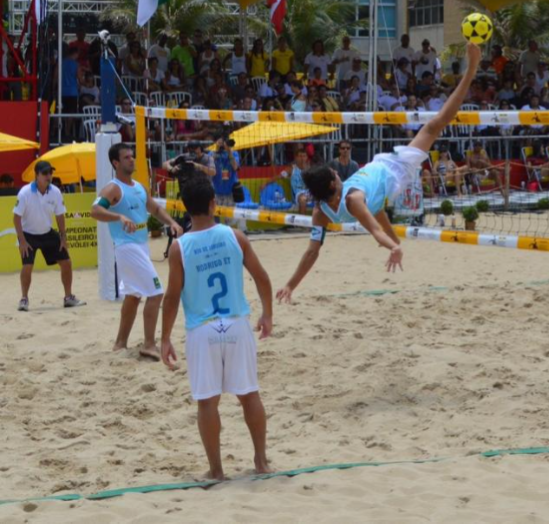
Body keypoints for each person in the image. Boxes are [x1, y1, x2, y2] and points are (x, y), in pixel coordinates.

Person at [276, 43, 482, 303]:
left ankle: (471, 70)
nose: (338, 173)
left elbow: (313, 252)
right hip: (397, 171)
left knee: (430, 127)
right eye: (335, 174)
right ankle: (471, 70)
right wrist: (393, 246)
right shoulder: (352, 200)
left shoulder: (321, 211)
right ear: (333, 184)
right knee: (434, 125)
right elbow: (373, 228)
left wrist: (290, 285)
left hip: (382, 165)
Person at [160, 174, 274, 481]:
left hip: (202, 329)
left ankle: (217, 469)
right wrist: (267, 314)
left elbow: (171, 298)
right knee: (249, 395)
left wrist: (165, 338)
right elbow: (262, 278)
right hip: (236, 324)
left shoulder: (179, 248)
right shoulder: (235, 236)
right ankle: (261, 462)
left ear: (185, 207)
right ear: (214, 203)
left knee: (207, 402)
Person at [91, 144, 184, 359]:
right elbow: (95, 210)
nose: (132, 160)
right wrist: (119, 217)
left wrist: (171, 222)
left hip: (140, 244)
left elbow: (156, 209)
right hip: (126, 246)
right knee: (156, 292)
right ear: (116, 163)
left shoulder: (139, 187)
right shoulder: (113, 188)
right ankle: (149, 344)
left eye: (132, 156)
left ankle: (120, 343)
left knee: (133, 295)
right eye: (126, 157)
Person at [13, 161, 84, 312]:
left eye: (50, 173)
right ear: (36, 175)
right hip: (28, 234)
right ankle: (24, 299)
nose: (49, 176)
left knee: (66, 262)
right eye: (45, 173)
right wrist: (22, 241)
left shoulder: (55, 192)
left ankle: (68, 297)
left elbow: (60, 216)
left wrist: (63, 238)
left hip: (47, 232)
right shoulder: (25, 192)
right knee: (27, 265)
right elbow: (16, 217)